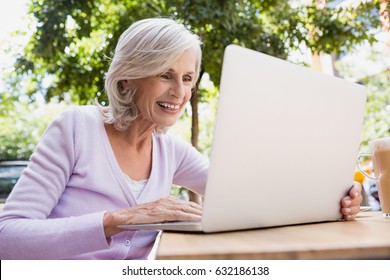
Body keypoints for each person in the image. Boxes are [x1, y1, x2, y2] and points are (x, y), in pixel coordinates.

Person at [0, 18, 362, 260]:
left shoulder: (170, 150)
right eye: (165, 74)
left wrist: (336, 198)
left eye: (188, 78)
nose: (180, 91)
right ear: (128, 78)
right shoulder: (76, 128)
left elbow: (254, 191)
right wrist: (120, 219)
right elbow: (8, 236)